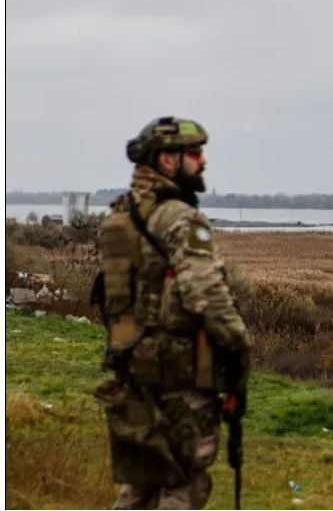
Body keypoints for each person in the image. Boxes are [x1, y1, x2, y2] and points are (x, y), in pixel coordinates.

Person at [92, 117, 252, 509]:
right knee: (184, 485)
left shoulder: (119, 217)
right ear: (167, 160)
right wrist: (239, 349)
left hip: (132, 372)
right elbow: (207, 295)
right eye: (194, 152)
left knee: (141, 485)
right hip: (180, 377)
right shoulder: (181, 218)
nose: (203, 161)